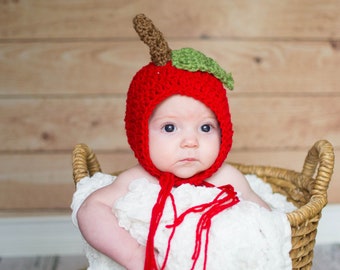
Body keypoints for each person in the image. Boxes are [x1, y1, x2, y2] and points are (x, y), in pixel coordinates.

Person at [75, 14, 285, 270]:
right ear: (140, 133)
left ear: (224, 131)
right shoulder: (136, 181)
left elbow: (274, 224)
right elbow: (89, 211)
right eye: (170, 127)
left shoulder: (228, 179)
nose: (190, 141)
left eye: (205, 127)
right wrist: (133, 255)